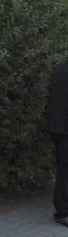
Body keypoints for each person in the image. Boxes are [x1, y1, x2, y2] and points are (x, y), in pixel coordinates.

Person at [46, 60, 68, 227]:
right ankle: (62, 213)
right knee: (65, 171)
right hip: (64, 128)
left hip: (58, 127)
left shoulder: (60, 69)